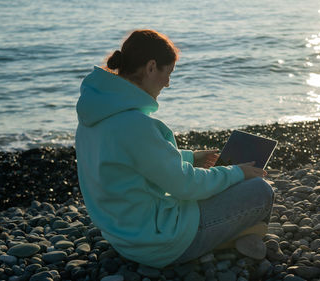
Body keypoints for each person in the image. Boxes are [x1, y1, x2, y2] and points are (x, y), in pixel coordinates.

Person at [75, 29, 274, 268]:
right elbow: (185, 186)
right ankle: (230, 239)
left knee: (225, 184)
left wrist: (190, 157)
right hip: (161, 243)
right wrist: (236, 173)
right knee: (260, 191)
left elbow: (131, 162)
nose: (168, 83)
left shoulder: (94, 116)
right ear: (151, 68)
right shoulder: (135, 124)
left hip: (124, 237)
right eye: (167, 73)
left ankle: (237, 234)